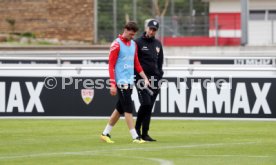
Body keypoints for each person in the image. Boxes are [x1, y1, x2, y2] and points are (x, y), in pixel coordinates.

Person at [100, 21, 150, 144]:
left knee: (120, 108)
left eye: (134, 35)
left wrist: (144, 77)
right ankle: (135, 136)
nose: (132, 37)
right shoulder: (116, 45)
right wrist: (112, 84)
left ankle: (105, 133)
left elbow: (136, 63)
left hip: (130, 81)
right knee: (128, 108)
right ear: (125, 30)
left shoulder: (133, 44)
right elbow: (111, 65)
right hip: (121, 82)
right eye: (131, 34)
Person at [134, 19, 164, 142]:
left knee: (149, 106)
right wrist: (138, 77)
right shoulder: (137, 43)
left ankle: (145, 133)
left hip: (155, 79)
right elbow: (134, 62)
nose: (152, 31)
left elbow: (160, 62)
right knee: (145, 103)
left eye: (154, 30)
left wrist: (159, 76)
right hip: (141, 79)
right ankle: (136, 130)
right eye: (150, 28)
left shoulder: (158, 44)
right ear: (146, 28)